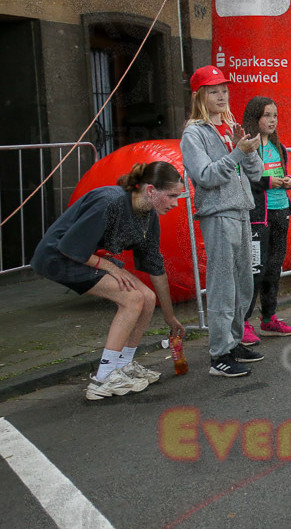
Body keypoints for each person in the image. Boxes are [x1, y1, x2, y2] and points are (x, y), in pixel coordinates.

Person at [30, 162, 187, 400]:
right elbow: (70, 248)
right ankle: (103, 378)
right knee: (132, 297)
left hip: (81, 257)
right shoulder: (110, 201)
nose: (176, 203)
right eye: (172, 196)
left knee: (147, 297)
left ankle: (122, 366)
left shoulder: (148, 216)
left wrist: (169, 316)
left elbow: (156, 268)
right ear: (151, 190)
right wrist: (110, 267)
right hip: (57, 257)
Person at [181, 65, 265, 378]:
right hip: (217, 213)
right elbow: (204, 177)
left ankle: (233, 341)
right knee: (221, 285)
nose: (221, 96)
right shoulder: (194, 133)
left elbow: (255, 174)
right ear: (200, 95)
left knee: (243, 282)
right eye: (214, 90)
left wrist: (247, 149)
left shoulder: (229, 125)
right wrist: (236, 154)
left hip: (241, 209)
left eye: (224, 90)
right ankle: (220, 354)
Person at [240, 96, 291, 348]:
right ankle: (242, 322)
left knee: (275, 266)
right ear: (255, 118)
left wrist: (289, 181)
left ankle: (269, 318)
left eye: (275, 115)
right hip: (257, 216)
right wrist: (268, 183)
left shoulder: (278, 146)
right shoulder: (247, 147)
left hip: (280, 209)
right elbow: (246, 180)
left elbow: (282, 174)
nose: (272, 120)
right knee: (256, 268)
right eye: (267, 115)